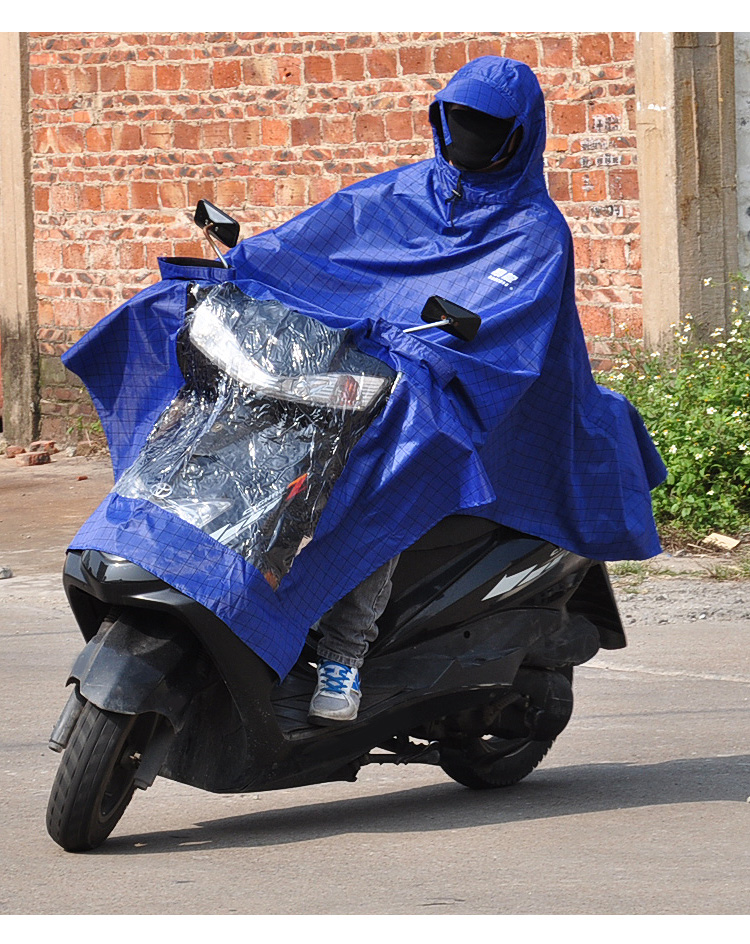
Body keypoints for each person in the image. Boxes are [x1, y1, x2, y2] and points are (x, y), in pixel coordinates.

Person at [307, 63, 541, 724]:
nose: (467, 133)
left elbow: (516, 337)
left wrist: (436, 355)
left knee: (383, 484)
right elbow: (320, 240)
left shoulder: (535, 232)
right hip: (365, 377)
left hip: (455, 400)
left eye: (486, 124)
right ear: (438, 119)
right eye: (457, 118)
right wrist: (246, 267)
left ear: (518, 134)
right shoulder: (402, 193)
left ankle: (343, 656)